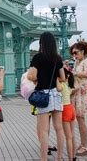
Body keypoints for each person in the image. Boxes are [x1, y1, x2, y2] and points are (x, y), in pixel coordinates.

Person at [27, 32, 65, 161]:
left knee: (44, 130)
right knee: (59, 128)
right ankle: (59, 158)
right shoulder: (57, 58)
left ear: (41, 43)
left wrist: (37, 79)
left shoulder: (38, 57)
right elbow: (63, 78)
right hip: (56, 94)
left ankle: (44, 159)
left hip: (43, 95)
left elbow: (32, 76)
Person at [70, 41, 87, 157]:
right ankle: (83, 144)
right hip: (77, 92)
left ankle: (85, 146)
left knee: (81, 120)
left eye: (76, 52)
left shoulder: (85, 62)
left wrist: (73, 73)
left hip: (82, 92)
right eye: (73, 53)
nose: (74, 55)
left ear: (82, 52)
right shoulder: (77, 62)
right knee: (79, 119)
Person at [61, 66, 76, 160]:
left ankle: (70, 158)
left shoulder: (61, 85)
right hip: (71, 108)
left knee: (68, 137)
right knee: (72, 135)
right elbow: (73, 91)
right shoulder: (68, 86)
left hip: (65, 110)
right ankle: (74, 156)